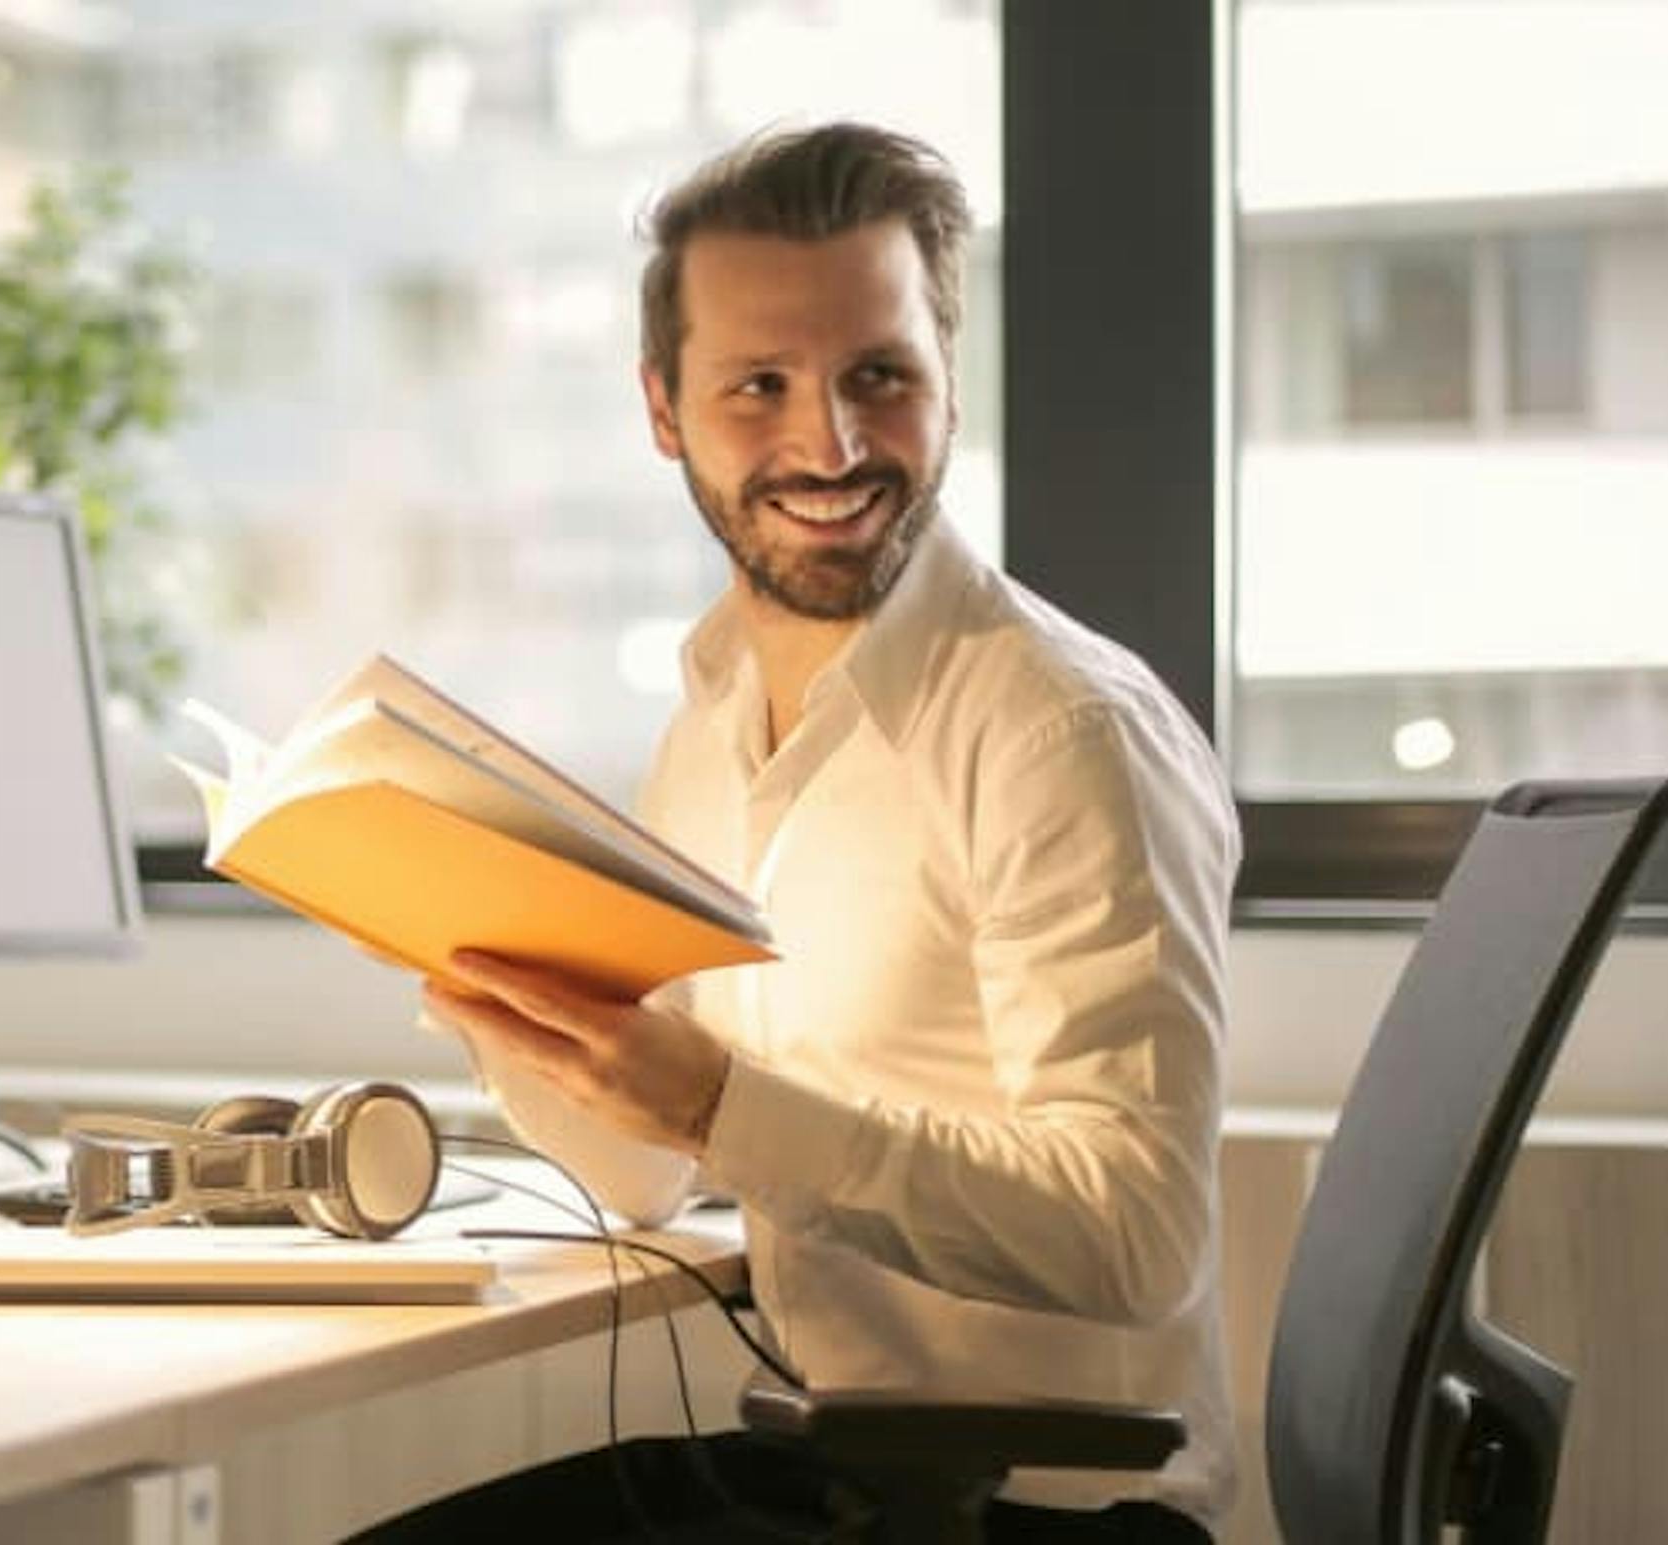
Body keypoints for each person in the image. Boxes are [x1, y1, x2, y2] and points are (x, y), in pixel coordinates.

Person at [375, 123, 1239, 1544]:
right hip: (849, 1475)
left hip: (1057, 1511)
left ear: (948, 382)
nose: (827, 443)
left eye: (878, 377)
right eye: (758, 385)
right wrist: (505, 1000)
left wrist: (721, 1100)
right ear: (666, 411)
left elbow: (1136, 1233)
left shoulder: (1059, 731)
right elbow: (647, 1177)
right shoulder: (714, 716)